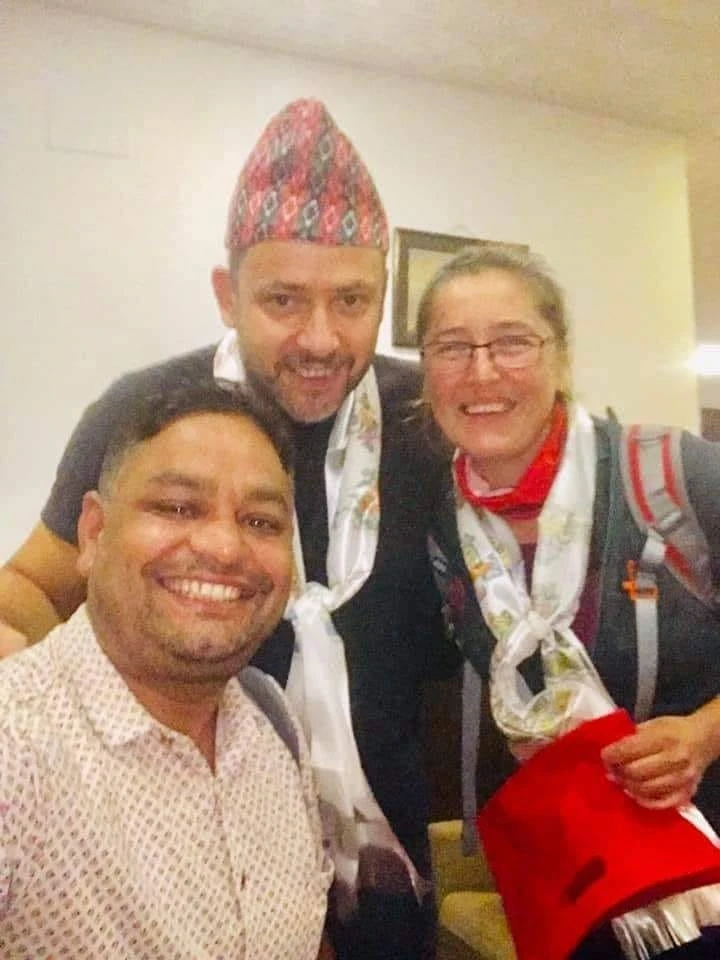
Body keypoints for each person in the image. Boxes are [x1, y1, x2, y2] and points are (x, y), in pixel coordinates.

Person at [0, 99, 455, 959]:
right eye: (283, 299)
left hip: (386, 852)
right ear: (227, 295)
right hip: (175, 840)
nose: (320, 338)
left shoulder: (429, 422)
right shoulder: (149, 412)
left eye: (351, 301)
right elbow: (31, 583)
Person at [417, 244, 720, 959]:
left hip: (706, 878)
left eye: (512, 341)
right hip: (575, 886)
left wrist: (703, 735)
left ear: (561, 355)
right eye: (453, 347)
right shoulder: (438, 523)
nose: (482, 372)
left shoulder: (674, 474)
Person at [0, 379, 334, 958]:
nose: (224, 548)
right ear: (93, 532)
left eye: (260, 521)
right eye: (178, 508)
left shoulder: (270, 719)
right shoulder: (17, 749)